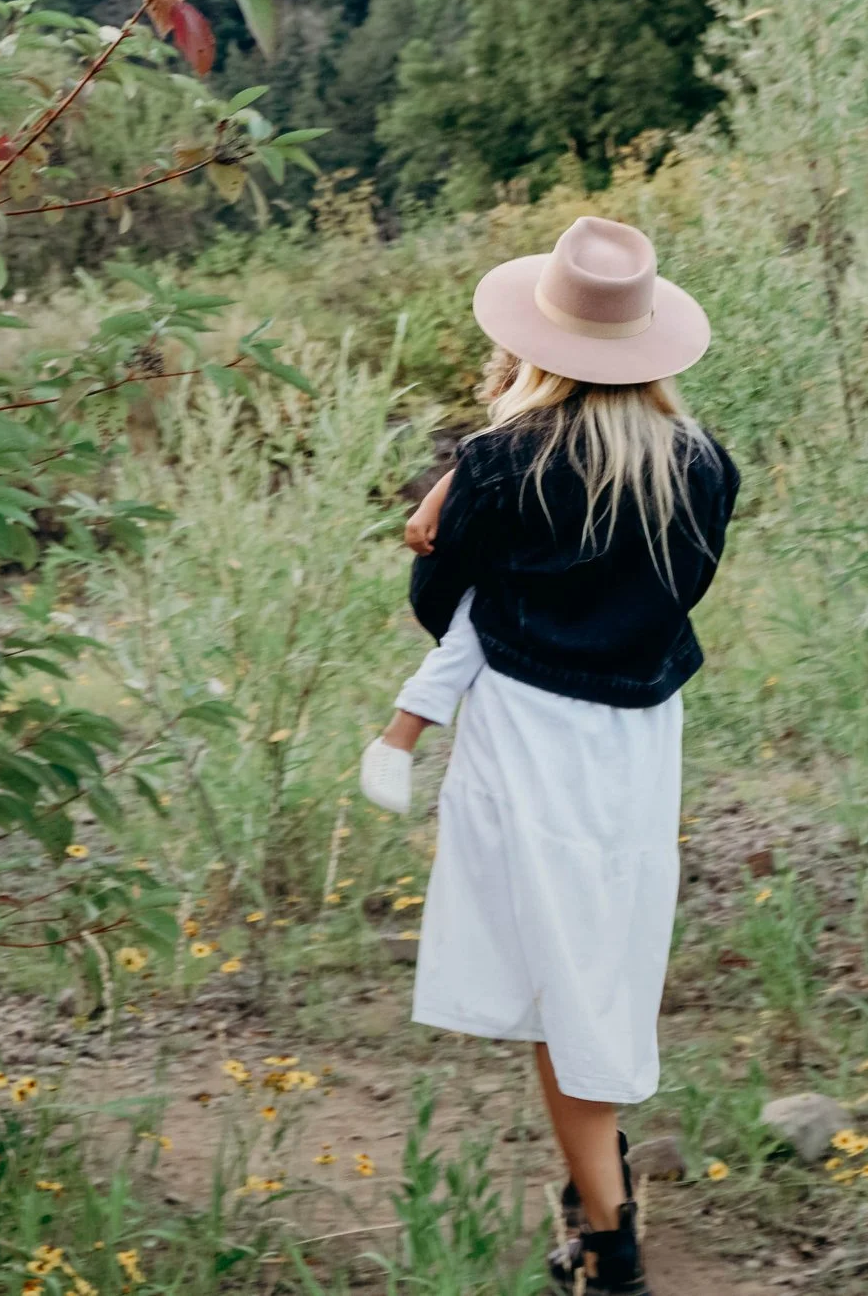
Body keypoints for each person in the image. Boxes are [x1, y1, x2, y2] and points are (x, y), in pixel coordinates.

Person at [359, 216, 738, 1295]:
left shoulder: (495, 461)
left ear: (539, 339)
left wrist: (444, 510)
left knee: (549, 980)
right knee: (597, 957)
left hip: (527, 734)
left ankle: (610, 1249)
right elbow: (672, 595)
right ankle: (595, 1187)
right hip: (639, 741)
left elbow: (444, 604)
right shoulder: (705, 469)